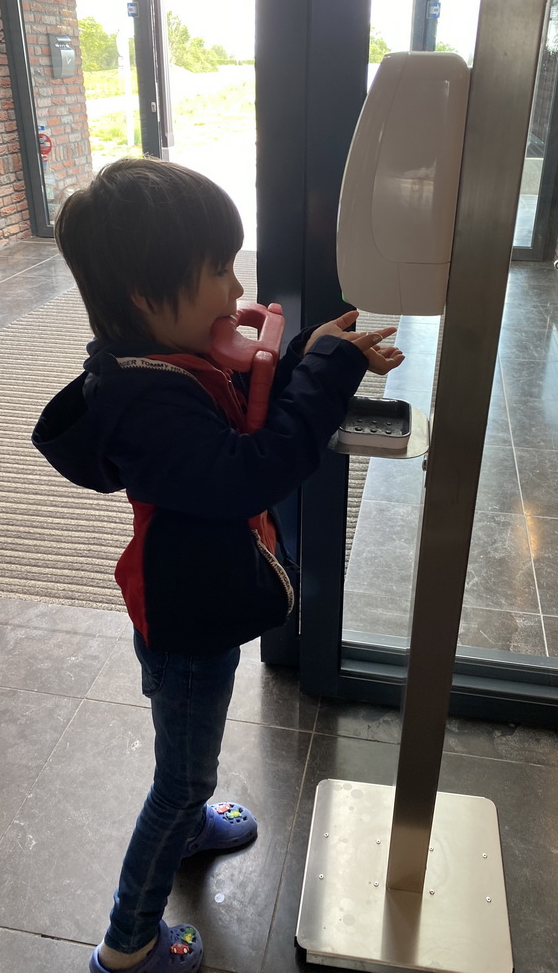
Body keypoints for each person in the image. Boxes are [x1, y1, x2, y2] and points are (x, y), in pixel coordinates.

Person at [31, 157, 404, 973]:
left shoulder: (160, 364)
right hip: (187, 616)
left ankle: (192, 818)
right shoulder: (149, 406)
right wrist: (330, 377)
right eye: (217, 271)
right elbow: (253, 467)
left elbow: (250, 395)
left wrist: (311, 351)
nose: (237, 293)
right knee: (178, 776)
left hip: (182, 600)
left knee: (183, 735)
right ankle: (129, 941)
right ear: (145, 296)